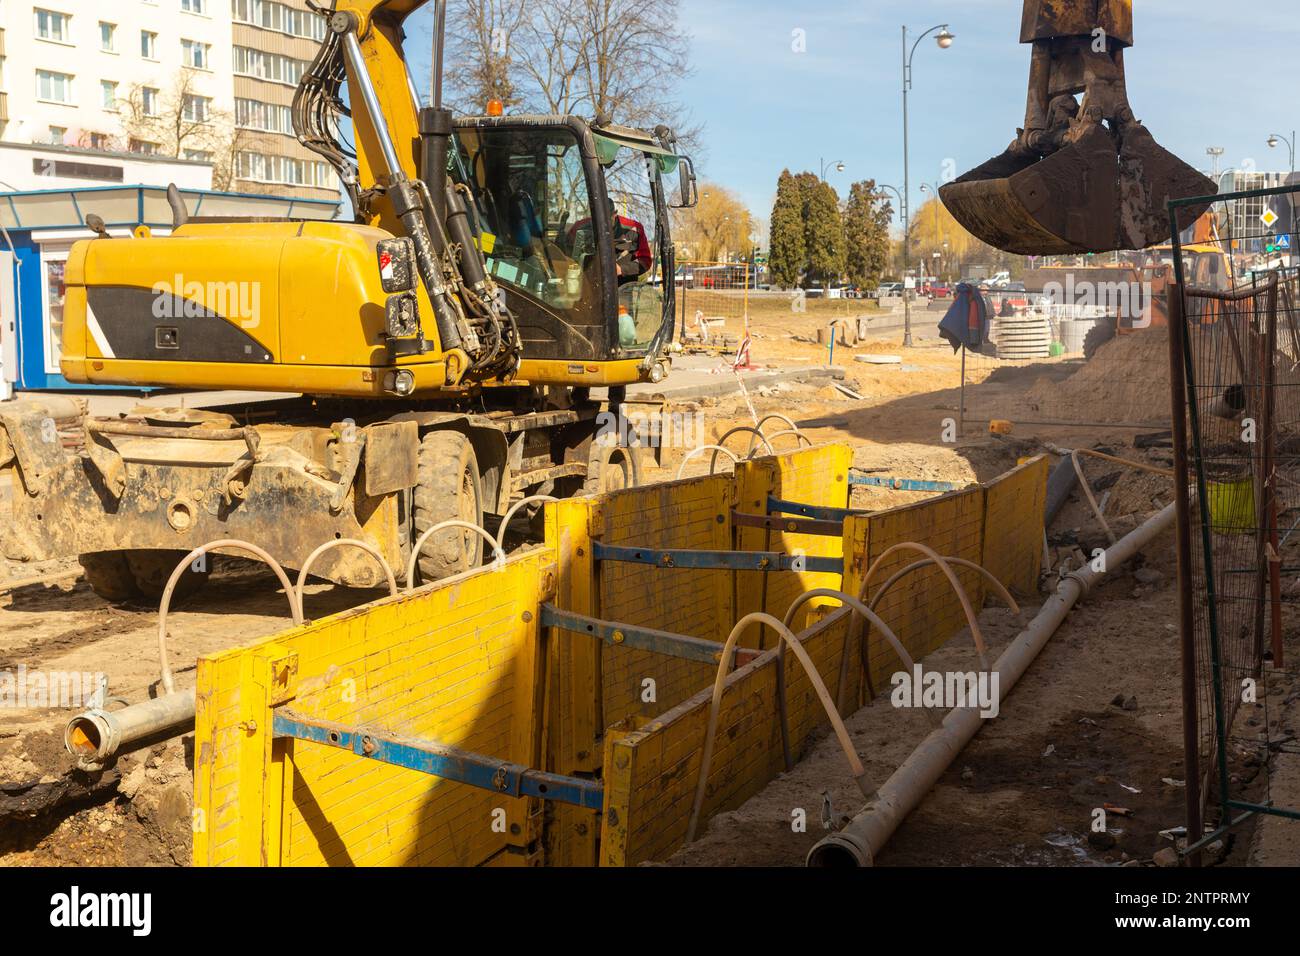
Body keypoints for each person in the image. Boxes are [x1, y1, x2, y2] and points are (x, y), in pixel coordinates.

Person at [569, 199, 652, 285]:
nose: (602, 225)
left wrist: (621, 269)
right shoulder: (579, 227)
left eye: (606, 220)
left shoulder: (634, 229)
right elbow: (565, 254)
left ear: (615, 214)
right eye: (597, 220)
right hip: (587, 286)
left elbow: (645, 261)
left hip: (622, 289)